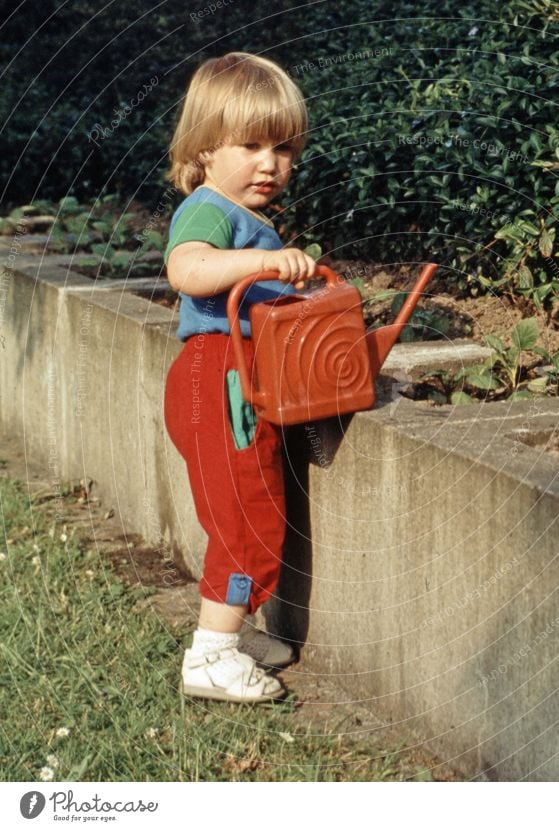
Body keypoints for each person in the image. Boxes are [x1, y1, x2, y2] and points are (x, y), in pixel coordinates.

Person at [163, 52, 316, 703]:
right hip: (221, 378)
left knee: (237, 509)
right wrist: (262, 262)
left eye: (283, 147)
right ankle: (212, 655)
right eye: (250, 144)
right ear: (203, 150)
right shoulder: (208, 210)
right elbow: (188, 269)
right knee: (250, 519)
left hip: (223, 379)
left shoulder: (247, 220)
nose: (269, 163)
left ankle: (232, 628)